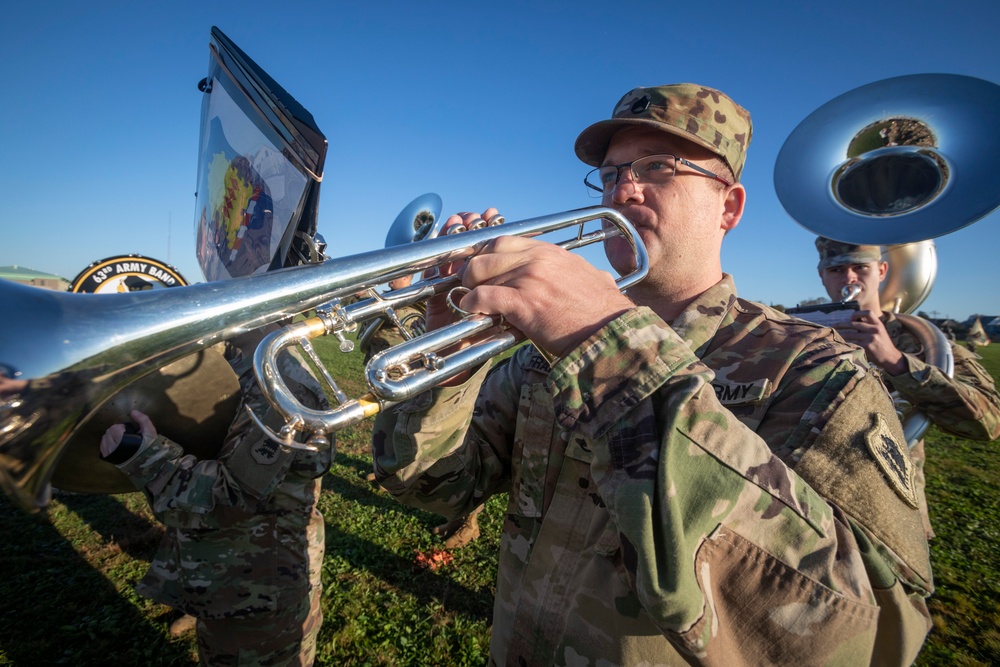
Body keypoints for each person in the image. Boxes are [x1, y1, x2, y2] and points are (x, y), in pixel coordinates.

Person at [371, 83, 935, 665]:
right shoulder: (542, 355)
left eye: (658, 168)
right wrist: (446, 354)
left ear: (729, 207)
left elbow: (877, 637)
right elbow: (435, 487)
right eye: (611, 174)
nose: (623, 190)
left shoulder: (816, 372)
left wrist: (614, 350)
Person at [100, 326, 331, 666]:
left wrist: (144, 456)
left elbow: (233, 496)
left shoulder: (284, 383)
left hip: (261, 585)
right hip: (224, 572)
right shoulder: (239, 356)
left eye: (229, 271)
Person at [814, 237, 1000, 537]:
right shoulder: (801, 335)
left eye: (860, 267)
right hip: (808, 506)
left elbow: (990, 423)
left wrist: (896, 361)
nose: (849, 277)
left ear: (882, 270)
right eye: (836, 270)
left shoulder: (923, 340)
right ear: (822, 276)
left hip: (890, 515)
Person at [359, 273, 484, 549]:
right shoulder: (394, 300)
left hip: (413, 383)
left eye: (398, 275)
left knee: (462, 451)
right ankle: (388, 466)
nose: (390, 280)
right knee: (390, 431)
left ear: (408, 276)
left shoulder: (413, 307)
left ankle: (468, 523)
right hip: (389, 384)